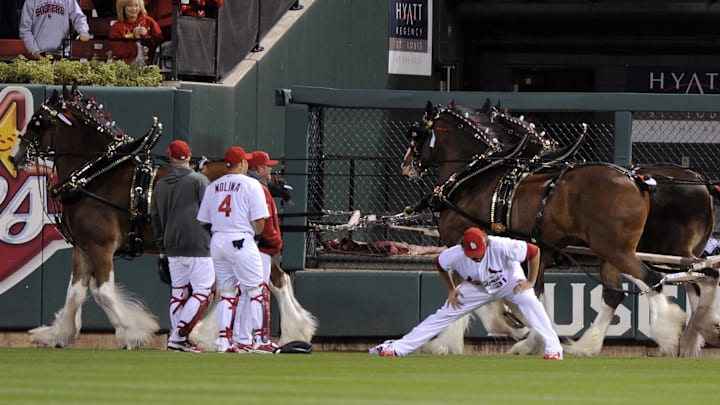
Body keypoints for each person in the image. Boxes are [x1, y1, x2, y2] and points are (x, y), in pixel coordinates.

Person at [369, 227, 564, 360]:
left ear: (486, 242)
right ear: (462, 246)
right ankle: (398, 348)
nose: (476, 255)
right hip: (476, 287)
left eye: (479, 250)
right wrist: (451, 289)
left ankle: (554, 349)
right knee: (442, 315)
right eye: (471, 252)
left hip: (509, 281)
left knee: (530, 302)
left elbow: (533, 251)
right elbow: (440, 265)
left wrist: (530, 281)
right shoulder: (454, 253)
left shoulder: (501, 244)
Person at [197, 146, 278, 354]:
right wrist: (254, 234)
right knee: (255, 290)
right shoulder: (252, 185)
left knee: (226, 293)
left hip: (218, 240)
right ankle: (259, 339)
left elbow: (203, 220)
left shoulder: (214, 186)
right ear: (242, 163)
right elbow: (260, 222)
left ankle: (224, 341)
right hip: (241, 239)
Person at [151, 140, 214, 353]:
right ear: (188, 156)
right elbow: (209, 214)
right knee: (203, 292)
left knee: (178, 293)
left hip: (172, 247)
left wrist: (162, 244)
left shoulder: (160, 185)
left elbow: (156, 218)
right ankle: (178, 336)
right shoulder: (199, 180)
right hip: (198, 243)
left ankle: (178, 340)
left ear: (171, 158)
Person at [247, 151, 283, 345]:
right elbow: (265, 223)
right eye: (268, 166)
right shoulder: (259, 188)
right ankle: (260, 338)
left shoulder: (245, 186)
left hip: (238, 245)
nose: (271, 169)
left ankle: (242, 337)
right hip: (259, 249)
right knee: (259, 293)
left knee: (243, 293)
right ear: (259, 168)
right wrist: (274, 242)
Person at [19, 0, 90, 57]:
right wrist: (34, 50)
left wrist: (83, 31)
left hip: (62, 54)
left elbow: (78, 17)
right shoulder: (30, 1)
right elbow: (24, 29)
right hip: (39, 54)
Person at [109, 0, 162, 64]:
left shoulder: (149, 21)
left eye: (136, 5)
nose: (134, 9)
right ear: (123, 7)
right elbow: (118, 51)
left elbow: (159, 43)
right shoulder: (116, 27)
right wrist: (134, 39)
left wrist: (145, 35)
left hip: (150, 63)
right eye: (130, 6)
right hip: (126, 65)